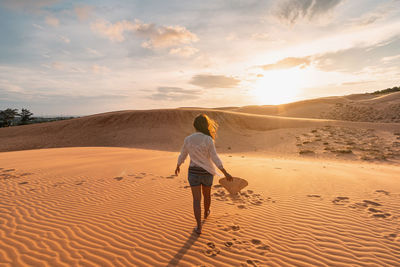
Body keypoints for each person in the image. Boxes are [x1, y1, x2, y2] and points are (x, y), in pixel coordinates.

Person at [175, 114, 233, 234]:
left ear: (195, 126)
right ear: (206, 126)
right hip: (207, 173)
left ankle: (198, 227)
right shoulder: (208, 139)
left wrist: (178, 165)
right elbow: (215, 157)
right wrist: (224, 171)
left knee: (196, 200)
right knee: (207, 195)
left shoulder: (188, 139)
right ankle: (206, 212)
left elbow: (183, 154)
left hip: (193, 173)